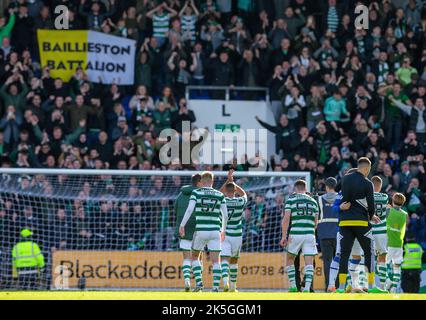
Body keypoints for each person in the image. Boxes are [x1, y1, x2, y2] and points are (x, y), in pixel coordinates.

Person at [338, 157, 385, 293]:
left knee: (344, 254)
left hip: (345, 222)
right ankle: (370, 287)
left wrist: (341, 207)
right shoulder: (367, 183)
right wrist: (372, 216)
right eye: (369, 170)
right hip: (361, 222)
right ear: (366, 168)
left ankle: (341, 288)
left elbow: (344, 200)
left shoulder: (345, 179)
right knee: (369, 253)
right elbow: (371, 205)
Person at [179, 171, 228, 292]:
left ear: (202, 181)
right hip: (215, 230)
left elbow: (190, 209)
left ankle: (199, 283)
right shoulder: (219, 195)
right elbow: (225, 215)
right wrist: (223, 230)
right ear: (212, 181)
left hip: (201, 230)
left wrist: (182, 225)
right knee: (216, 260)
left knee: (195, 256)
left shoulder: (196, 192)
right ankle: (216, 287)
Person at [327, 168, 365, 293]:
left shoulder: (363, 191)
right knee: (339, 255)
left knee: (357, 257)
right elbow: (334, 209)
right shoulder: (342, 192)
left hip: (358, 230)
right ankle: (331, 285)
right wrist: (341, 207)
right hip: (344, 229)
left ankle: (353, 284)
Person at [280, 180, 319, 292]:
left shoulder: (291, 200)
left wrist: (284, 236)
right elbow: (316, 223)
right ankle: (307, 288)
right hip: (310, 234)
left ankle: (293, 286)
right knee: (309, 262)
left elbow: (286, 219)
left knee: (290, 259)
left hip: (296, 234)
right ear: (305, 189)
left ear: (295, 188)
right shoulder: (313, 201)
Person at [219, 169, 247, 292]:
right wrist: (233, 182)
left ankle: (225, 282)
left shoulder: (222, 201)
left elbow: (218, 193)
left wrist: (228, 180)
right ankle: (233, 287)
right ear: (235, 191)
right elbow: (244, 193)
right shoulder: (240, 201)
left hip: (225, 233)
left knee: (224, 258)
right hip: (237, 235)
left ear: (225, 191)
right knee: (234, 260)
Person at [174, 173, 202, 292]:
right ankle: (199, 283)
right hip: (197, 226)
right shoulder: (200, 194)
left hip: (183, 227)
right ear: (199, 183)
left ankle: (186, 281)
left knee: (186, 257)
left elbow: (175, 209)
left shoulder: (181, 194)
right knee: (197, 257)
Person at [317, 177, 338, 290]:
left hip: (324, 234)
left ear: (326, 187)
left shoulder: (319, 199)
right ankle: (339, 286)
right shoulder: (341, 198)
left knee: (327, 261)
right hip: (339, 234)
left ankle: (328, 287)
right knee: (338, 260)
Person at [386, 193, 408, 293]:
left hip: (388, 243)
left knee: (381, 264)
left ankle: (388, 281)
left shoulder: (388, 210)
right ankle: (394, 288)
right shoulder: (405, 214)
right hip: (399, 244)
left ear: (392, 200)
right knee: (397, 267)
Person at [371, 176, 390, 290]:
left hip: (370, 230)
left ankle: (370, 285)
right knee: (382, 257)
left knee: (370, 258)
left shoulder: (367, 196)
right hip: (382, 230)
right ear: (380, 186)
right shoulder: (385, 197)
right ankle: (383, 286)